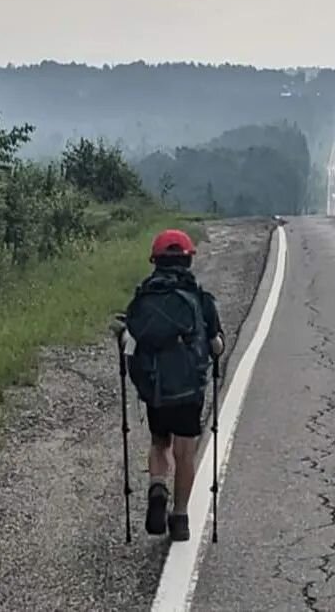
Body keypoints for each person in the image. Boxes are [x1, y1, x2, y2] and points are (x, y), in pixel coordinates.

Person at [113, 228, 224, 542]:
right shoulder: (201, 300)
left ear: (156, 261)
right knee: (185, 452)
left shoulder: (142, 298)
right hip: (189, 389)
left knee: (160, 442)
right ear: (188, 260)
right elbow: (216, 346)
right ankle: (180, 518)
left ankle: (157, 486)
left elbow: (130, 341)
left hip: (156, 389)